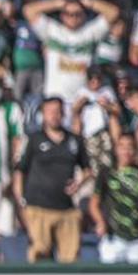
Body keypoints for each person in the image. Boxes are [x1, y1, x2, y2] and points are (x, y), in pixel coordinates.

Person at [15, 96, 89, 263]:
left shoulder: (74, 140)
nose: (54, 115)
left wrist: (79, 183)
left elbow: (87, 169)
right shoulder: (34, 139)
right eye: (50, 112)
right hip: (38, 208)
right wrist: (21, 202)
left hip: (66, 210)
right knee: (39, 254)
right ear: (43, 114)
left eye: (58, 111)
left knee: (71, 259)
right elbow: (20, 171)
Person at [24, 0, 119, 104]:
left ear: (84, 14)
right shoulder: (52, 30)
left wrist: (89, 2)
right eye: (68, 13)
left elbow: (113, 12)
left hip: (82, 99)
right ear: (62, 15)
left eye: (77, 14)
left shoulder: (91, 32)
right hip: (55, 99)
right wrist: (56, 3)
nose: (72, 17)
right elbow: (28, 10)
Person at [92, 133, 138, 263]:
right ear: (116, 149)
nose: (126, 151)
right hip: (113, 236)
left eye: (130, 147)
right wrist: (100, 222)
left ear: (135, 150)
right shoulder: (106, 173)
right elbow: (94, 202)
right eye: (122, 146)